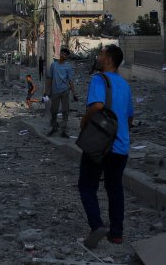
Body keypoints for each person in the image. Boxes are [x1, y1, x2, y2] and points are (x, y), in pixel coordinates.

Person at [78, 44, 134, 248]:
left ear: (109, 59)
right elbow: (129, 118)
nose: (98, 57)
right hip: (121, 147)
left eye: (101, 54)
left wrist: (85, 121)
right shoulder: (125, 85)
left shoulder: (99, 79)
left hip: (99, 145)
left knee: (87, 186)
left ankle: (96, 225)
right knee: (115, 188)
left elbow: (97, 106)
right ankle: (117, 234)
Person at [46, 47, 79, 138]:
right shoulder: (53, 65)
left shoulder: (68, 67)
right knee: (54, 111)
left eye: (65, 54)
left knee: (65, 111)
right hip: (55, 92)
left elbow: (70, 81)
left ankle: (63, 130)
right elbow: (50, 78)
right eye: (61, 53)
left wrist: (74, 93)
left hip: (65, 91)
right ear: (59, 54)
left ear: (67, 56)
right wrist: (46, 91)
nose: (62, 55)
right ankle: (54, 128)